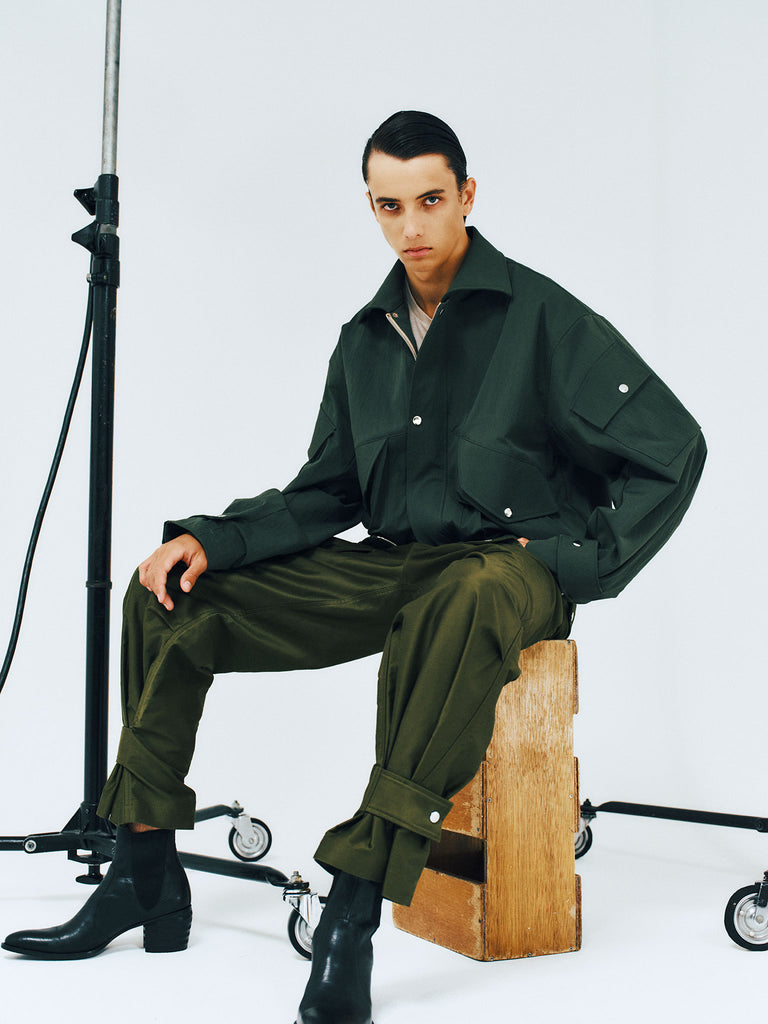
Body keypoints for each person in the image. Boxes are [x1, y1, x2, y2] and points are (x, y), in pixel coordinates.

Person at [3, 111, 706, 1024]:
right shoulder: (365, 338)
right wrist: (214, 540)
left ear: (467, 195)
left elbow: (672, 449)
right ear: (370, 206)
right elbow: (329, 492)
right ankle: (143, 874)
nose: (412, 226)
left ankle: (354, 909)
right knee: (170, 595)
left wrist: (576, 560)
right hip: (392, 566)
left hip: (503, 574)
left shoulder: (544, 319)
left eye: (430, 200)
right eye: (389, 206)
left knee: (467, 591)